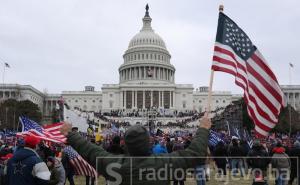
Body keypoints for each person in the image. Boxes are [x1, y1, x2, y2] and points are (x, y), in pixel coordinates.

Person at [60, 117, 211, 185]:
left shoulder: (113, 165)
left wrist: (71, 134)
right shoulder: (165, 164)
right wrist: (203, 129)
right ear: (149, 142)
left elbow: (90, 150)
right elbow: (195, 153)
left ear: (125, 144)